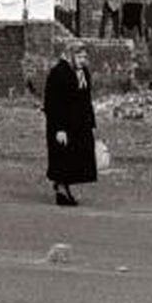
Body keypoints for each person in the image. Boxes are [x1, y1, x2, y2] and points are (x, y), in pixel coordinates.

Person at [44, 40, 97, 206]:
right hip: (63, 125)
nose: (83, 60)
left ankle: (64, 189)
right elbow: (53, 103)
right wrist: (58, 128)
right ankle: (61, 190)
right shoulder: (59, 73)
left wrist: (91, 123)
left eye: (84, 57)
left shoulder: (83, 73)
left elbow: (87, 99)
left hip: (80, 125)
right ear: (71, 56)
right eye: (79, 57)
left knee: (76, 157)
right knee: (63, 157)